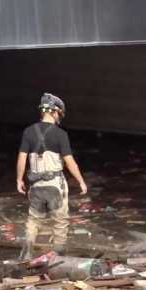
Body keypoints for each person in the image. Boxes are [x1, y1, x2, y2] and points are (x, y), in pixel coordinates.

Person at [16, 93, 87, 260]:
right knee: (60, 222)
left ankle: (27, 250)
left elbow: (22, 158)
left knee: (34, 220)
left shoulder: (28, 132)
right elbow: (70, 162)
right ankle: (59, 255)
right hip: (55, 184)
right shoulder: (61, 135)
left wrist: (19, 179)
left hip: (36, 185)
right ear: (55, 112)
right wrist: (81, 182)